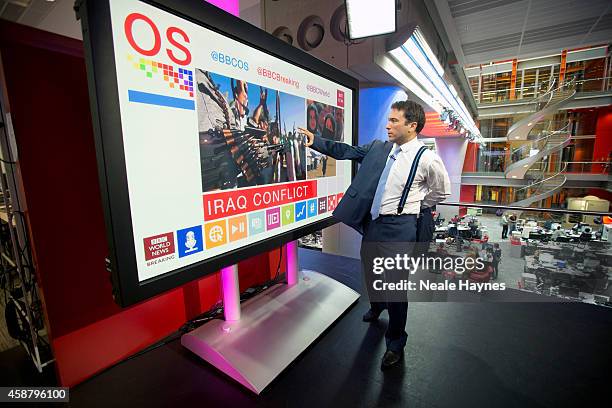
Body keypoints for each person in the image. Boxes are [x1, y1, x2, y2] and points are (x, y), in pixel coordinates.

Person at [298, 100, 451, 370]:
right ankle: (377, 306)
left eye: (394, 121)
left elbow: (440, 191)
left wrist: (415, 206)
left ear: (412, 126)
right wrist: (316, 141)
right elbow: (347, 151)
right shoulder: (380, 148)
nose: (387, 124)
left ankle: (395, 342)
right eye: (389, 119)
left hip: (401, 228)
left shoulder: (427, 158)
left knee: (395, 287)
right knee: (371, 272)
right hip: (374, 224)